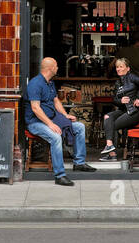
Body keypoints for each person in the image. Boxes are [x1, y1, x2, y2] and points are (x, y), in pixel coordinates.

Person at [25, 57, 94, 185]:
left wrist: (65, 115)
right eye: (56, 66)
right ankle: (59, 175)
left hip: (51, 118)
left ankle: (79, 162)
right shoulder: (35, 84)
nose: (57, 68)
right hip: (35, 123)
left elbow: (56, 101)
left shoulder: (50, 83)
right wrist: (50, 124)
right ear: (50, 68)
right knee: (56, 136)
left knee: (79, 127)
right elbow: (35, 108)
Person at [98, 57, 139, 160]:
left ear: (128, 68)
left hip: (135, 112)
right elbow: (114, 99)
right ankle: (110, 149)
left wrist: (138, 98)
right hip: (124, 110)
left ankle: (111, 152)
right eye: (117, 67)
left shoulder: (132, 77)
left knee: (113, 125)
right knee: (108, 116)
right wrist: (120, 101)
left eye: (121, 66)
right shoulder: (118, 82)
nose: (118, 69)